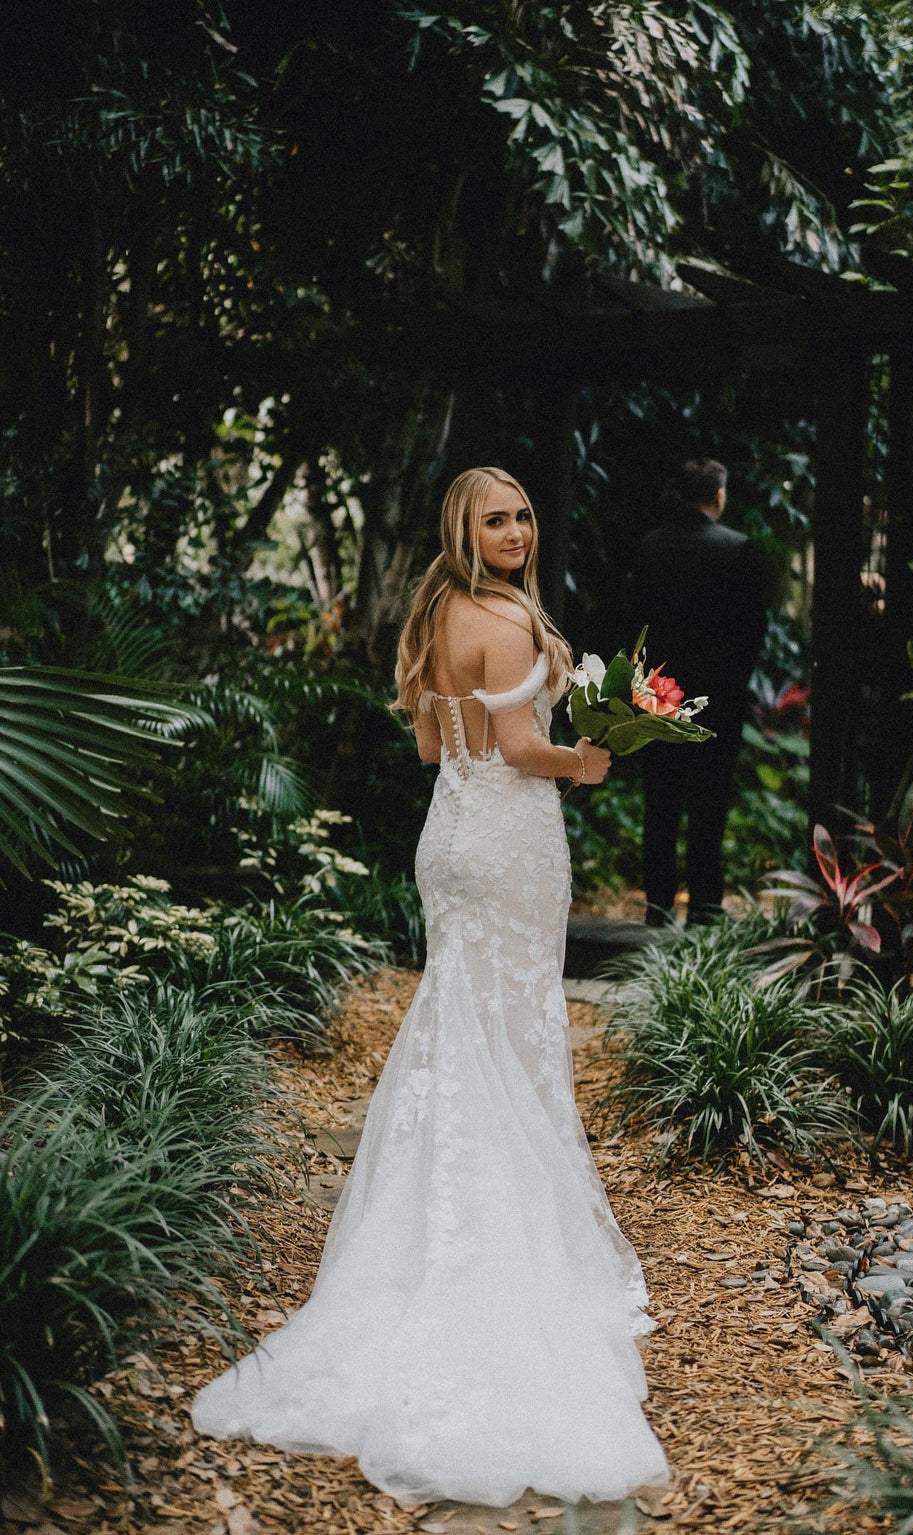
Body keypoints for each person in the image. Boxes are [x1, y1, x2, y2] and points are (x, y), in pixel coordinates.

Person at [191, 467, 669, 1506]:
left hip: (447, 837)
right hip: (506, 840)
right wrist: (587, 761)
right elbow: (517, 747)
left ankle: (418, 1233)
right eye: (494, 518)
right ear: (463, 528)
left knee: (467, 1027)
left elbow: (429, 742)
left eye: (523, 514)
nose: (514, 529)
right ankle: (491, 1256)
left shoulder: (434, 616)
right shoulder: (501, 617)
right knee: (506, 1035)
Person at [629, 457, 766, 926]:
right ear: (719, 496)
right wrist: (733, 686)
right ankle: (706, 905)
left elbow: (634, 627)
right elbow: (752, 633)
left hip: (659, 692)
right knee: (710, 801)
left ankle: (658, 903)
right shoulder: (740, 550)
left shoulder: (649, 548)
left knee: (661, 799)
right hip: (719, 698)